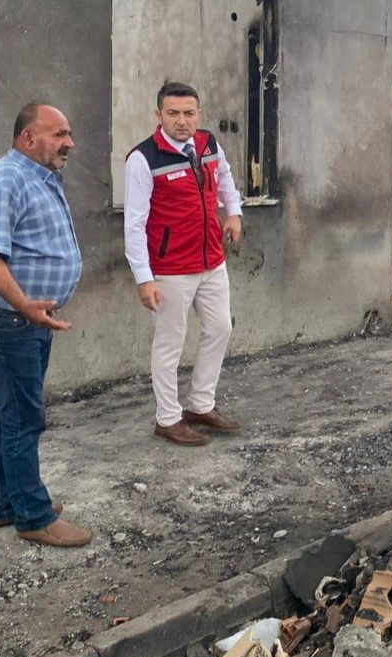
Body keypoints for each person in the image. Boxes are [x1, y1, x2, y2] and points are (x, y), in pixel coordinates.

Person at [0, 103, 92, 547]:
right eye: (59, 134)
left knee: (6, 411)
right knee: (23, 417)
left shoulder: (41, 178)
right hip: (13, 319)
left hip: (31, 319)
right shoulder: (6, 179)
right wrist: (25, 306)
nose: (70, 143)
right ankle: (33, 515)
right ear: (28, 137)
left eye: (69, 134)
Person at [124, 82, 243, 446]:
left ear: (198, 114)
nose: (182, 121)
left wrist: (233, 212)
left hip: (211, 260)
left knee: (220, 328)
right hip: (170, 268)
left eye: (189, 113)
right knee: (170, 343)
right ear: (158, 115)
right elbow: (134, 224)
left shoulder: (208, 144)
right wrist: (144, 278)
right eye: (173, 113)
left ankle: (200, 405)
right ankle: (168, 418)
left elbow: (224, 177)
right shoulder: (144, 159)